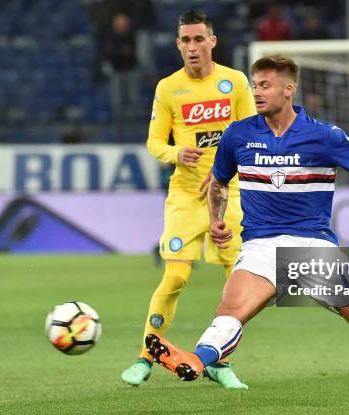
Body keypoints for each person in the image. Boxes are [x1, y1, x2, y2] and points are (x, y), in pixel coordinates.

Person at [145, 55, 349, 411]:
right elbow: (219, 184)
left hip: (313, 245)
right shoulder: (238, 135)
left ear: (289, 89)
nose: (256, 92)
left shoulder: (324, 136)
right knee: (231, 309)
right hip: (260, 245)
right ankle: (195, 361)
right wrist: (217, 219)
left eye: (265, 85)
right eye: (255, 84)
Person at [121, 11, 256, 388]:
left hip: (228, 191)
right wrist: (175, 154)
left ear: (213, 41)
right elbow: (153, 141)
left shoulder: (235, 82)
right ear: (178, 44)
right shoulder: (168, 88)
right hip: (185, 194)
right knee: (175, 276)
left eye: (199, 39)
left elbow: (249, 135)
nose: (193, 47)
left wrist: (223, 174)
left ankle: (219, 361)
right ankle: (147, 356)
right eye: (186, 40)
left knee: (237, 285)